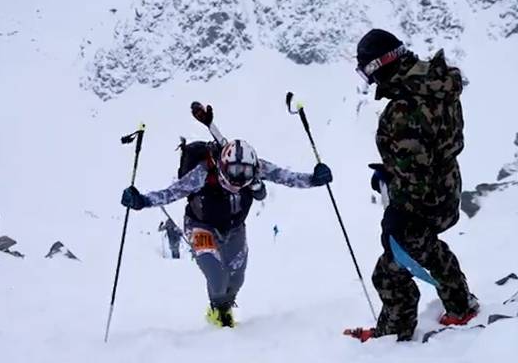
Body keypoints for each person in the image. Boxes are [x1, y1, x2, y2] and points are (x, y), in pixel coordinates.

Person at [347, 29, 477, 342]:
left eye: (369, 73)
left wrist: (395, 217)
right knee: (427, 248)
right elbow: (429, 151)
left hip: (422, 202)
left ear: (381, 66)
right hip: (447, 190)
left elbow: (416, 175)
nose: (372, 82)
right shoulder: (436, 85)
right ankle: (460, 308)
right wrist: (393, 169)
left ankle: (393, 337)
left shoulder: (403, 111)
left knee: (389, 272)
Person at [121, 137, 332, 327]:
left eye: (246, 172)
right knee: (216, 276)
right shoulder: (204, 173)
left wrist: (314, 179)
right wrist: (142, 201)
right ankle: (217, 312)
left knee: (237, 278)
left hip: (234, 228)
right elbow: (173, 192)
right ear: (223, 165)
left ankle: (225, 306)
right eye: (234, 171)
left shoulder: (258, 168)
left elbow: (287, 177)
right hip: (200, 225)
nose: (239, 178)